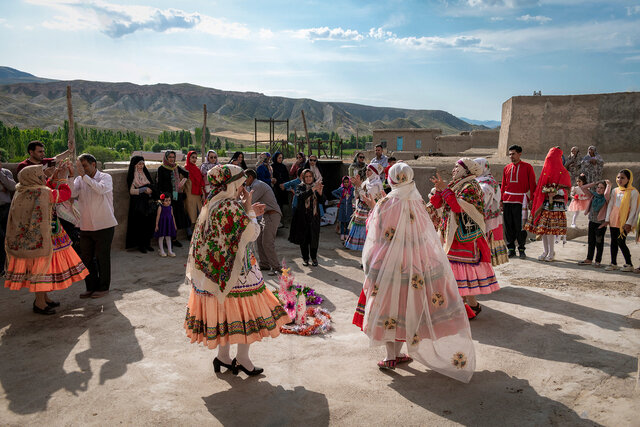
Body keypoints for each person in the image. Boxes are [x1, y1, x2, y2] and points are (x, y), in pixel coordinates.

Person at [353, 163, 475, 381]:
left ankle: (392, 356)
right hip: (418, 262)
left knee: (391, 306)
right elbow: (428, 231)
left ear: (390, 180)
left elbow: (375, 232)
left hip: (389, 263)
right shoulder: (417, 202)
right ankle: (407, 348)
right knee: (411, 305)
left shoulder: (385, 203)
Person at [184, 164, 290, 376]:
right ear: (230, 184)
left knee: (226, 312)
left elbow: (229, 229)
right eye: (240, 183)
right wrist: (249, 210)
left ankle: (223, 357)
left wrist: (245, 209)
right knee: (243, 313)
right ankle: (242, 359)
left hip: (216, 269)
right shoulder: (230, 207)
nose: (242, 188)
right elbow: (251, 233)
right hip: (236, 270)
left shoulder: (214, 202)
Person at [5, 164, 88, 314]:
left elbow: (47, 188)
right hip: (43, 237)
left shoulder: (22, 189)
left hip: (35, 237)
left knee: (44, 269)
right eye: (41, 175)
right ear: (33, 177)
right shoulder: (41, 192)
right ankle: (40, 303)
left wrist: (53, 178)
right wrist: (62, 179)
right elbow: (63, 194)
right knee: (41, 270)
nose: (44, 177)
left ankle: (44, 298)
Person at [430, 158, 500, 317]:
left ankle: (460, 310)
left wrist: (445, 190)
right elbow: (437, 204)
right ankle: (472, 306)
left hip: (465, 237)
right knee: (460, 274)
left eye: (457, 167)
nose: (454, 170)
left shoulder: (471, 186)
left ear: (466, 170)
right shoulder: (456, 185)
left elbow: (458, 207)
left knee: (460, 273)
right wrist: (439, 190)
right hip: (453, 234)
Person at [73, 153, 118, 299]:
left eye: (84, 166)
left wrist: (84, 177)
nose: (82, 169)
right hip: (85, 225)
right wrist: (65, 176)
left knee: (102, 257)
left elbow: (100, 189)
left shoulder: (105, 177)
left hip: (104, 225)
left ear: (94, 164)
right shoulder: (79, 179)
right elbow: (71, 193)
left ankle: (103, 287)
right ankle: (90, 287)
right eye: (80, 166)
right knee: (86, 258)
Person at [524, 147, 572, 262]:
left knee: (550, 230)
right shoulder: (546, 172)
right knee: (544, 230)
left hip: (556, 206)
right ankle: (545, 251)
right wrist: (545, 193)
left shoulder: (564, 173)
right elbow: (540, 187)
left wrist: (556, 192)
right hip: (545, 205)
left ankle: (551, 252)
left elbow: (567, 189)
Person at [501, 144, 537, 259]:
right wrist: (501, 200)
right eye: (510, 154)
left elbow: (532, 184)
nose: (511, 156)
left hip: (521, 201)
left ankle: (521, 249)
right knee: (508, 226)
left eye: (513, 154)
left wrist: (532, 199)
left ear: (519, 154)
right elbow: (503, 185)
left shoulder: (527, 167)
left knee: (520, 226)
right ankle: (510, 249)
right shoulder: (506, 168)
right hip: (507, 200)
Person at [244, 169, 282, 275]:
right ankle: (265, 264)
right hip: (265, 215)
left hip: (272, 214)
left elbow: (248, 202)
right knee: (259, 240)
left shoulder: (257, 186)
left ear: (250, 177)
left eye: (244, 178)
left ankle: (276, 267)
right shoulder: (251, 186)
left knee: (267, 242)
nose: (243, 181)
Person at [474, 158, 509, 267]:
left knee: (486, 250)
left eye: (476, 166)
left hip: (488, 220)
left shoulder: (488, 182)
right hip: (482, 218)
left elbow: (483, 197)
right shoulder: (480, 180)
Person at [603, 169, 639, 272]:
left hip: (624, 221)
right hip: (614, 219)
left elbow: (633, 209)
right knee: (613, 241)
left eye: (622, 178)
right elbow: (610, 205)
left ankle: (629, 264)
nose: (619, 180)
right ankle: (613, 263)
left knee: (621, 241)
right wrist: (607, 219)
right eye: (618, 177)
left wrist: (629, 223)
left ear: (628, 179)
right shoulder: (615, 190)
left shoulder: (633, 192)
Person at [345, 163, 385, 251]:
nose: (367, 172)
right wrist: (357, 186)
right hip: (361, 209)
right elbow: (357, 195)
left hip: (370, 210)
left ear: (374, 172)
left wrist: (359, 186)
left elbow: (366, 199)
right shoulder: (367, 182)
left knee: (368, 229)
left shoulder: (376, 184)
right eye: (367, 169)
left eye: (369, 170)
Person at [289, 169, 325, 266]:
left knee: (314, 238)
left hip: (314, 217)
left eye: (310, 176)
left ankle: (314, 258)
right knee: (304, 239)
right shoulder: (300, 187)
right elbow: (300, 197)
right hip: (302, 217)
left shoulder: (316, 187)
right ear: (303, 178)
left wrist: (320, 192)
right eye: (306, 177)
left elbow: (322, 201)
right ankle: (305, 258)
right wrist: (312, 189)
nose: (309, 178)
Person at [156, 150, 189, 247]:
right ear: (166, 158)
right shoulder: (161, 169)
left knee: (176, 217)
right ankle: (167, 240)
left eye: (173, 157)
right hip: (166, 198)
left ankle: (174, 239)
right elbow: (159, 184)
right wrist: (162, 198)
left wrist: (182, 183)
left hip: (176, 195)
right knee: (167, 218)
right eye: (170, 157)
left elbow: (186, 174)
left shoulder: (176, 167)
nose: (171, 159)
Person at [125, 156, 156, 253]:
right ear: (135, 165)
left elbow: (151, 185)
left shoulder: (145, 174)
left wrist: (150, 191)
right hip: (138, 204)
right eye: (139, 164)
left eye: (142, 164)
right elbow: (131, 191)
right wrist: (143, 190)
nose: (141, 166)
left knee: (148, 224)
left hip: (147, 203)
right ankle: (140, 245)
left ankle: (147, 244)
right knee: (139, 225)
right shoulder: (132, 176)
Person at [578, 180, 612, 268]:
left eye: (602, 188)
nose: (599, 189)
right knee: (591, 241)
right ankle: (589, 259)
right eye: (598, 187)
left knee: (599, 242)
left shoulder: (606, 198)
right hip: (592, 222)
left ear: (605, 190)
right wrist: (594, 183)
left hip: (600, 224)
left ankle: (598, 261)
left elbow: (607, 193)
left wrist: (608, 185)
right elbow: (583, 187)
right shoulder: (593, 196)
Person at [0, 160, 16, 275]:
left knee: (7, 237)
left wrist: (0, 174)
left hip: (6, 208)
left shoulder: (6, 172)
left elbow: (12, 186)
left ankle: (7, 266)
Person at [184, 150, 205, 237]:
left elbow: (201, 182)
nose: (194, 159)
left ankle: (196, 233)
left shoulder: (197, 169)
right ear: (188, 158)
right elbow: (182, 182)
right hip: (189, 194)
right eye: (192, 157)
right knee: (189, 213)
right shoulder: (185, 169)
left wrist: (203, 193)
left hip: (197, 194)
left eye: (196, 158)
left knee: (198, 213)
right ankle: (189, 232)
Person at [332, 176, 355, 241]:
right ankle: (342, 234)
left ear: (349, 182)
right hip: (342, 207)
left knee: (348, 221)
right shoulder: (341, 189)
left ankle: (347, 234)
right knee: (342, 221)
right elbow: (333, 192)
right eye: (344, 182)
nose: (346, 183)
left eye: (347, 182)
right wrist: (339, 197)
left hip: (349, 207)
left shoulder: (352, 189)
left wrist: (352, 197)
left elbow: (354, 195)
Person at [155, 193, 177, 257]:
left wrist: (174, 225)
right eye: (166, 200)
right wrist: (156, 225)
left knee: (168, 237)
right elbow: (158, 216)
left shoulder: (171, 207)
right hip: (162, 223)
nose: (168, 202)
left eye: (169, 200)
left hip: (169, 223)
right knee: (161, 237)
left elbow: (172, 216)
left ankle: (170, 251)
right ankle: (161, 251)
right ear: (162, 201)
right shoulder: (160, 207)